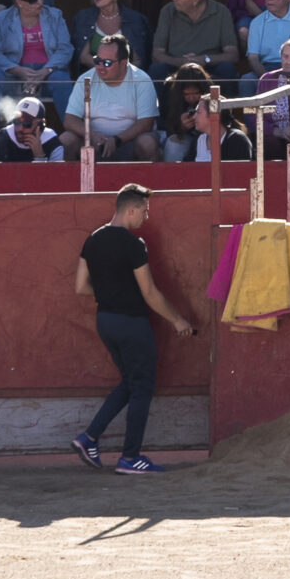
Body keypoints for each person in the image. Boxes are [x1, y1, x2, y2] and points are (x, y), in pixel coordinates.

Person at [68, 185, 196, 475]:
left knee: (129, 383)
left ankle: (88, 438)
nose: (147, 217)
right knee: (142, 387)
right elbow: (150, 293)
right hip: (131, 323)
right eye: (145, 210)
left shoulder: (93, 239)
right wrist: (177, 320)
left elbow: (80, 287)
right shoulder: (133, 244)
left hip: (106, 321)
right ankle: (130, 457)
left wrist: (111, 292)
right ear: (131, 209)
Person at [66, 35, 159, 161]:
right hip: (93, 142)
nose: (100, 66)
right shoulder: (85, 79)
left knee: (147, 143)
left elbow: (146, 124)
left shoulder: (142, 80)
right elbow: (70, 120)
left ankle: (146, 181)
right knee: (66, 140)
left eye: (107, 63)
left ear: (124, 63)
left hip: (130, 142)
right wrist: (91, 135)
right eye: (97, 60)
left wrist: (117, 140)